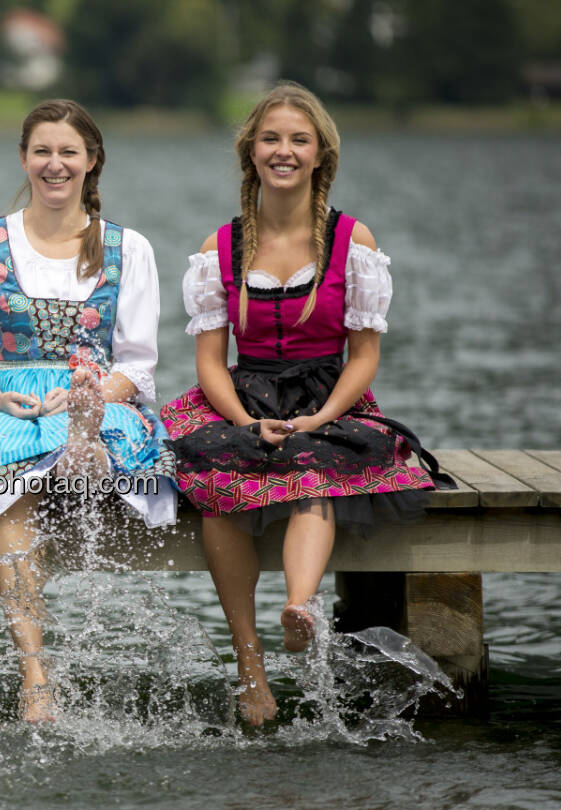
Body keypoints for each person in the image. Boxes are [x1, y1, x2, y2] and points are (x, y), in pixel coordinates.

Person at [160, 81, 449, 727]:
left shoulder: (354, 238)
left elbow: (365, 355)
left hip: (327, 394)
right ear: (250, 153)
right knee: (215, 484)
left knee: (314, 466)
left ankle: (300, 607)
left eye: (298, 140)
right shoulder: (220, 247)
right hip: (244, 393)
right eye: (271, 139)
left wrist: (320, 418)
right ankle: (250, 666)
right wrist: (242, 422)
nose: (283, 150)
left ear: (321, 154)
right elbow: (209, 360)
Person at [0, 99, 177, 723]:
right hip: (6, 396)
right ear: (23, 157)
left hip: (95, 393)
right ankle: (35, 672)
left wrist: (85, 396)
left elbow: (138, 364)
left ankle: (84, 438)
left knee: (87, 425)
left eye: (69, 152)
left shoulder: (128, 248)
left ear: (92, 160)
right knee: (13, 477)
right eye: (42, 151)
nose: (54, 164)